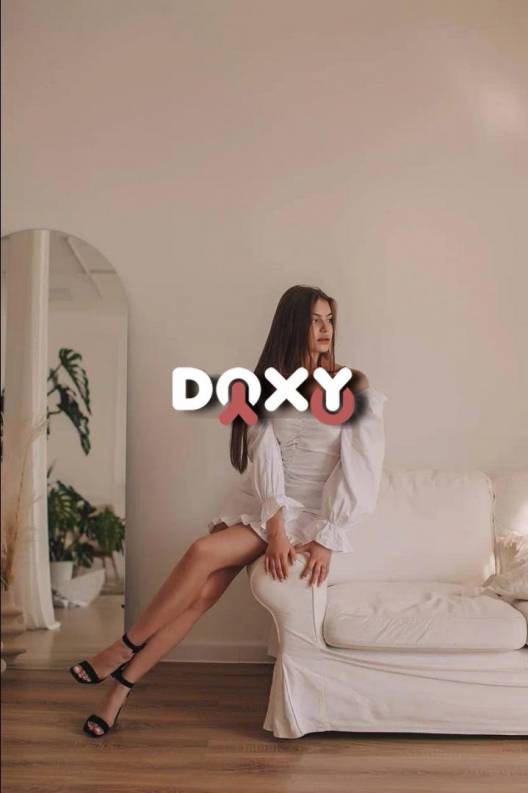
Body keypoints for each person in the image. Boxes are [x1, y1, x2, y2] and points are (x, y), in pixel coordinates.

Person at [70, 284, 388, 737]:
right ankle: (117, 694)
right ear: (292, 325)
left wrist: (328, 536)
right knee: (199, 598)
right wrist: (274, 528)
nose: (326, 329)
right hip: (262, 504)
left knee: (201, 552)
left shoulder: (353, 384)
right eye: (315, 320)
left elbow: (362, 467)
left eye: (330, 319)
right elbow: (265, 458)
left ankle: (122, 648)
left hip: (308, 514)